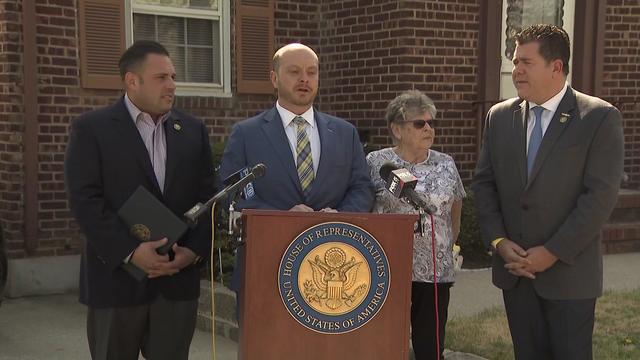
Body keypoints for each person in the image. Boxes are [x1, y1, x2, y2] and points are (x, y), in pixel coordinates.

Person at [472, 24, 624, 360]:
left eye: (526, 62)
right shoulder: (499, 117)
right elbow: (484, 184)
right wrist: (498, 241)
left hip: (569, 277)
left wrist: (552, 252)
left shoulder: (598, 118)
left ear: (557, 67)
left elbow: (599, 198)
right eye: (515, 61)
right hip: (516, 276)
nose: (517, 70)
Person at [65, 40, 215, 360]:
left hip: (176, 283)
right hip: (115, 283)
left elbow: (208, 198)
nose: (172, 85)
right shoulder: (92, 129)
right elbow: (85, 200)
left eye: (173, 76)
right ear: (132, 81)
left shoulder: (192, 130)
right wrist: (131, 252)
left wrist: (192, 252)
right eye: (162, 77)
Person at [219, 43, 374, 292]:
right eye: (294, 72)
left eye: (311, 72)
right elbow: (233, 193)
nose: (304, 79)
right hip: (266, 265)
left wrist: (340, 217)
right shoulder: (247, 134)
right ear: (274, 78)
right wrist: (282, 217)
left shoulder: (345, 133)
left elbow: (361, 188)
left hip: (329, 269)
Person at [367, 90, 465, 360]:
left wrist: (450, 245)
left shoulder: (445, 163)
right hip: (386, 267)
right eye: (419, 123)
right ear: (397, 129)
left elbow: (456, 206)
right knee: (384, 343)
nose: (428, 128)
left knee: (430, 347)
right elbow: (363, 209)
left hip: (434, 271)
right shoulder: (377, 163)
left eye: (432, 123)